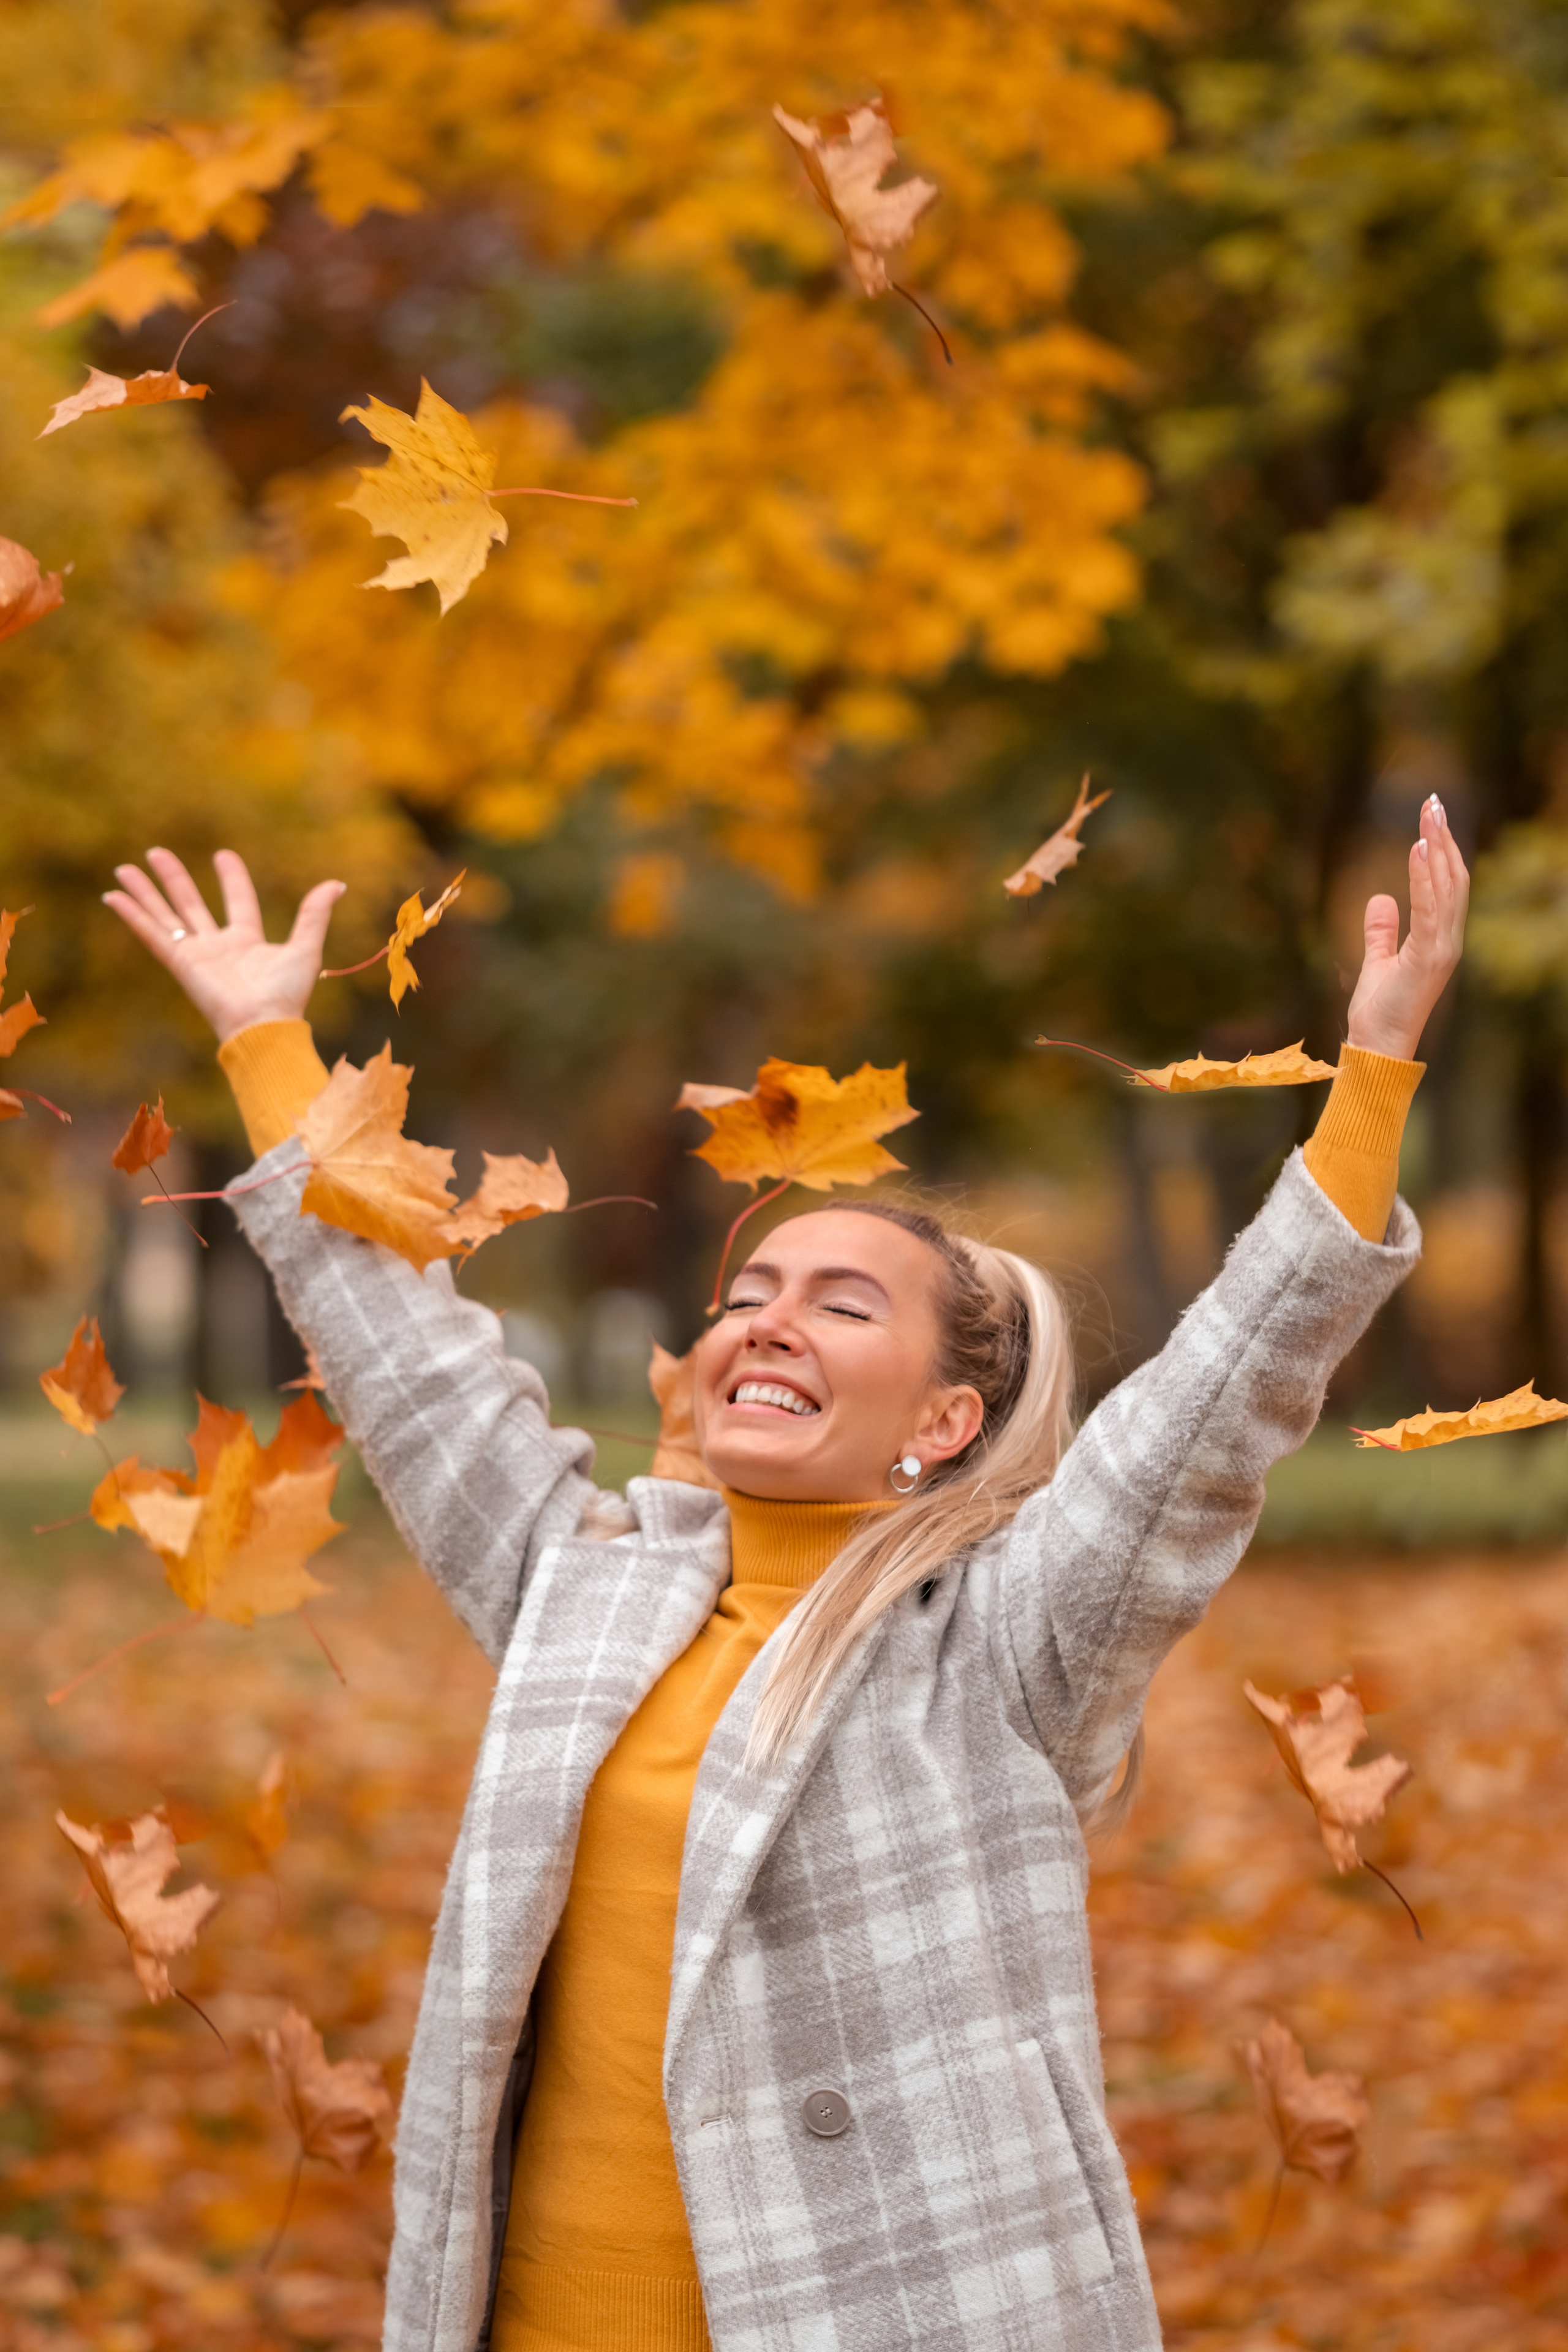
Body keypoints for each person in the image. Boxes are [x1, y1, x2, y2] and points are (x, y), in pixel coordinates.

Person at [105, 800, 1468, 2352]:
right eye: (751, 1290)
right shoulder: (586, 1585)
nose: (768, 1320)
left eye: (839, 1305)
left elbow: (1210, 1408)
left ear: (945, 1420)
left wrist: (1369, 1075)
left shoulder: (1006, 1641)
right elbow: (410, 1366)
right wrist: (271, 1047)